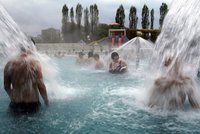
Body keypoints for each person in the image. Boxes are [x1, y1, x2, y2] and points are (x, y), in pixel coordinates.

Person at [4, 47, 49, 114]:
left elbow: (6, 86)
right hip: (32, 103)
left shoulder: (9, 64)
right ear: (30, 49)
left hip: (15, 104)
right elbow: (41, 85)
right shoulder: (35, 63)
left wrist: (12, 97)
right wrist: (46, 101)